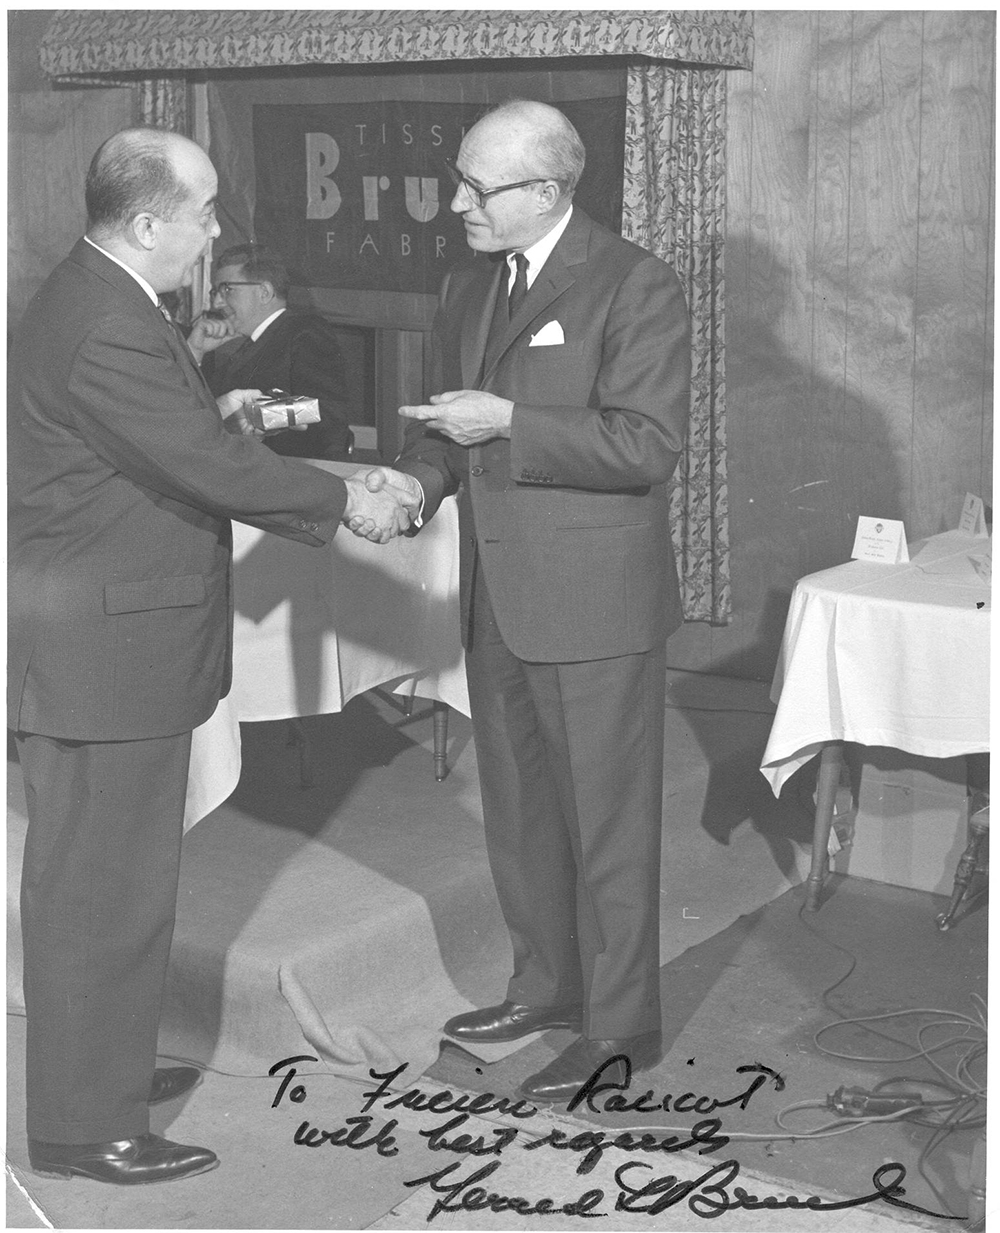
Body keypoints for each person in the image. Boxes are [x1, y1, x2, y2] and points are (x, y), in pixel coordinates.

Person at [7, 127, 414, 1186]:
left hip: (109, 646)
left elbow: (152, 437)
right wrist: (344, 496)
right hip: (105, 656)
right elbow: (192, 465)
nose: (217, 230)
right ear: (148, 224)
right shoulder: (107, 322)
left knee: (107, 887)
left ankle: (91, 1075)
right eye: (205, 211)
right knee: (104, 893)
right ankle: (81, 1126)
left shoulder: (99, 298)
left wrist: (213, 407)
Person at [368, 99, 691, 1102]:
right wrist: (419, 481)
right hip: (498, 600)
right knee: (517, 814)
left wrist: (509, 418)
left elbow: (644, 445)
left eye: (478, 188)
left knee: (606, 824)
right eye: (460, 179)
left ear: (548, 191)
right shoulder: (468, 282)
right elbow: (443, 429)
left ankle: (619, 1025)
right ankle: (545, 987)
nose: (454, 203)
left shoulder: (634, 283)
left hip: (594, 608)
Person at [190, 243, 355, 460]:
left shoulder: (305, 332)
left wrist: (255, 416)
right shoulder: (245, 343)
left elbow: (327, 411)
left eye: (227, 289)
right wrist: (195, 352)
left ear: (264, 292)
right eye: (216, 291)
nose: (217, 302)